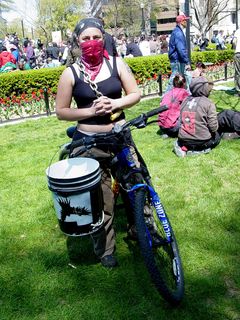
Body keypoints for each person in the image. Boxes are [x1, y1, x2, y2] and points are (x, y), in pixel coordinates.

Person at [55, 17, 142, 268]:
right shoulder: (70, 73)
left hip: (119, 135)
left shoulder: (117, 64)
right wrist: (91, 111)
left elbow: (135, 94)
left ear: (103, 38)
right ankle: (106, 249)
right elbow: (61, 111)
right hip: (89, 142)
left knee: (136, 184)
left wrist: (115, 103)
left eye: (96, 37)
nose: (91, 42)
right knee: (101, 197)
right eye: (86, 38)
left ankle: (144, 231)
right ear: (77, 42)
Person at [174, 77, 240, 157]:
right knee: (225, 117)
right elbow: (213, 128)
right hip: (203, 142)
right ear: (204, 89)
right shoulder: (208, 103)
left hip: (183, 140)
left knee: (222, 116)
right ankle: (198, 151)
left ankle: (183, 147)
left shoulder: (185, 100)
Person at [166, 14, 191, 92]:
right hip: (177, 61)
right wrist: (187, 62)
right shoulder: (178, 33)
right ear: (181, 22)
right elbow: (181, 49)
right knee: (174, 79)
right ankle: (165, 97)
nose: (186, 22)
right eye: (185, 21)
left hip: (178, 60)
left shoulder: (177, 31)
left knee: (186, 77)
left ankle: (189, 94)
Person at [232, 28, 240, 96]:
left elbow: (234, 41)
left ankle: (238, 90)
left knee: (238, 72)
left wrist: (235, 48)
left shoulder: (238, 31)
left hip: (238, 53)